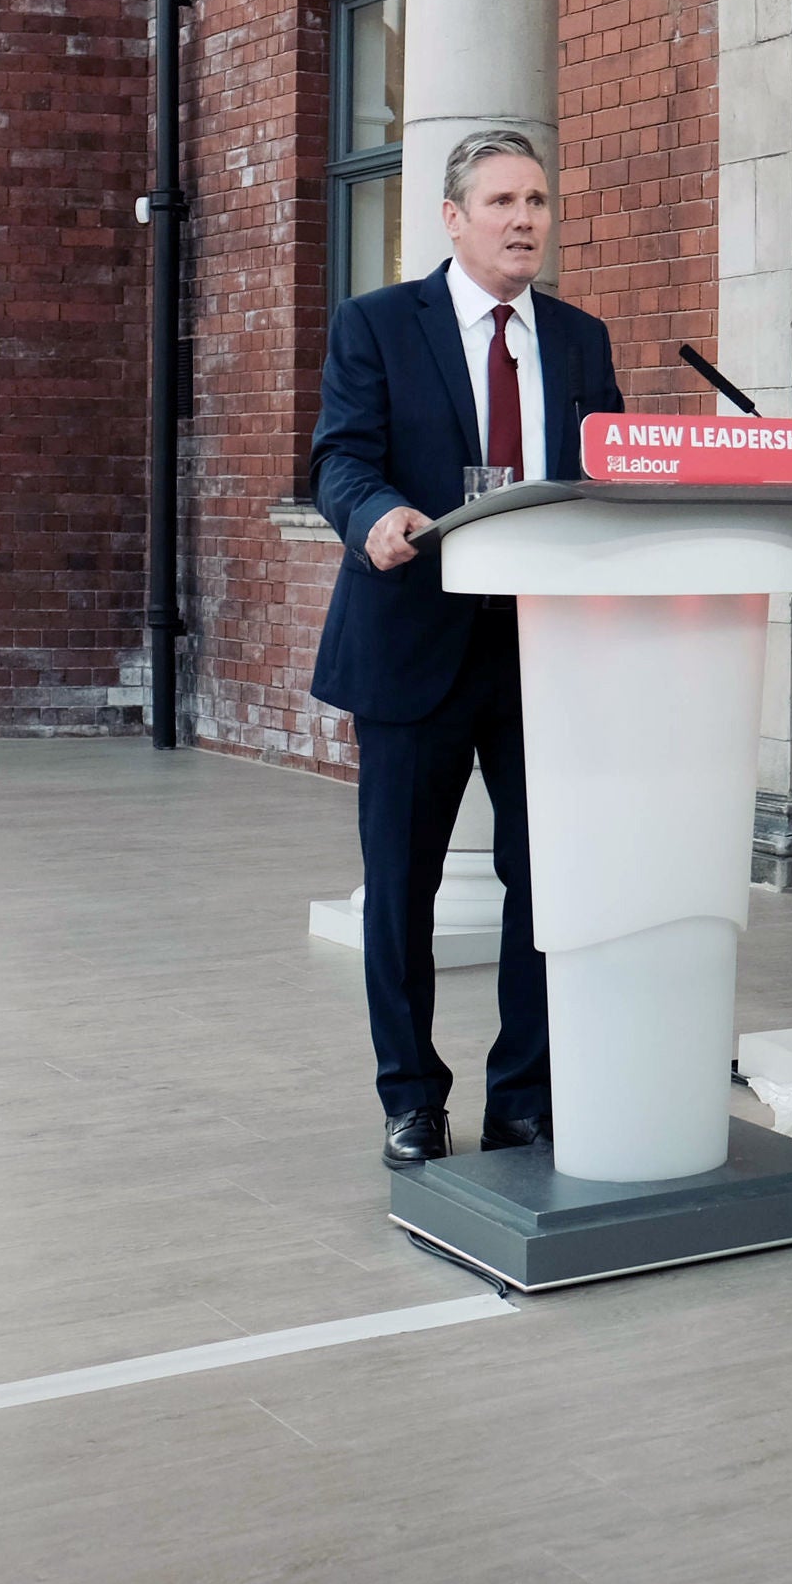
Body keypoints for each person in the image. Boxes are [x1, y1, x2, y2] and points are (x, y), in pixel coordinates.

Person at [309, 128, 626, 1168]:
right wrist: (377, 516)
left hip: (542, 648)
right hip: (413, 640)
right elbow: (340, 460)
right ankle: (409, 1097)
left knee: (548, 886)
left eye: (536, 199)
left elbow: (604, 478)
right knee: (402, 890)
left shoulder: (579, 340)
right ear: (452, 218)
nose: (523, 218)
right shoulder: (375, 325)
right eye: (501, 202)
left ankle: (522, 1098)